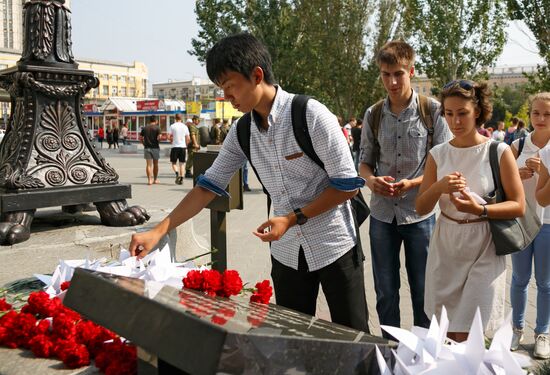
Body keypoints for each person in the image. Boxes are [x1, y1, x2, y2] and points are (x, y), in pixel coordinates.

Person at [129, 33, 370, 333]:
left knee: (354, 337)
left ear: (257, 75)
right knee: (293, 338)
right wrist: (158, 231)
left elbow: (348, 186)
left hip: (334, 244)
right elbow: (207, 187)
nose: (227, 98)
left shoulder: (310, 115)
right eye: (223, 90)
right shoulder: (242, 132)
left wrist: (293, 219)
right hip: (286, 253)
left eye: (230, 87)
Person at [416, 79, 524, 342]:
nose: (455, 122)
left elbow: (519, 205)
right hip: (447, 247)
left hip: (484, 246)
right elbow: (421, 208)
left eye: (462, 113)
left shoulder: (498, 151)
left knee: (469, 333)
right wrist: (439, 186)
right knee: (446, 334)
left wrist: (481, 210)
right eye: (449, 114)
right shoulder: (437, 154)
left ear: (477, 111)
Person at [359, 41, 452, 336]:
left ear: (411, 71)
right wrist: (371, 182)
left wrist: (412, 183)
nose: (393, 82)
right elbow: (363, 163)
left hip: (420, 215)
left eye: (399, 73)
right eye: (386, 75)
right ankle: (391, 354)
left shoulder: (433, 110)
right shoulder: (373, 114)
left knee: (425, 291)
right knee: (385, 291)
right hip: (382, 216)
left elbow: (445, 164)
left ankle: (425, 356)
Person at [513, 92, 550, 359]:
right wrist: (517, 173)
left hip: (548, 221)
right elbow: (500, 182)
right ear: (529, 114)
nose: (541, 118)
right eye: (536, 113)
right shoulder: (517, 145)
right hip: (522, 220)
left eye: (547, 114)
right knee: (519, 279)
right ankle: (516, 329)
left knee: (546, 283)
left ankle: (543, 333)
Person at [168, 113, 190, 185]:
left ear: (175, 118)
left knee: (174, 162)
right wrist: (186, 145)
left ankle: (177, 173)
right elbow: (188, 138)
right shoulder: (185, 126)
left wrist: (171, 141)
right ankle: (181, 178)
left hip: (175, 147)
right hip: (183, 147)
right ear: (181, 118)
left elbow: (168, 136)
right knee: (182, 164)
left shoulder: (172, 126)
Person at [140, 117, 161, 185]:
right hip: (155, 148)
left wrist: (144, 144)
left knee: (148, 165)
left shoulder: (145, 128)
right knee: (156, 164)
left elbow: (140, 138)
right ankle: (155, 179)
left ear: (150, 121)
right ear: (156, 121)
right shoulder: (157, 128)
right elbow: (159, 137)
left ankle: (149, 180)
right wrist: (158, 140)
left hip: (147, 148)